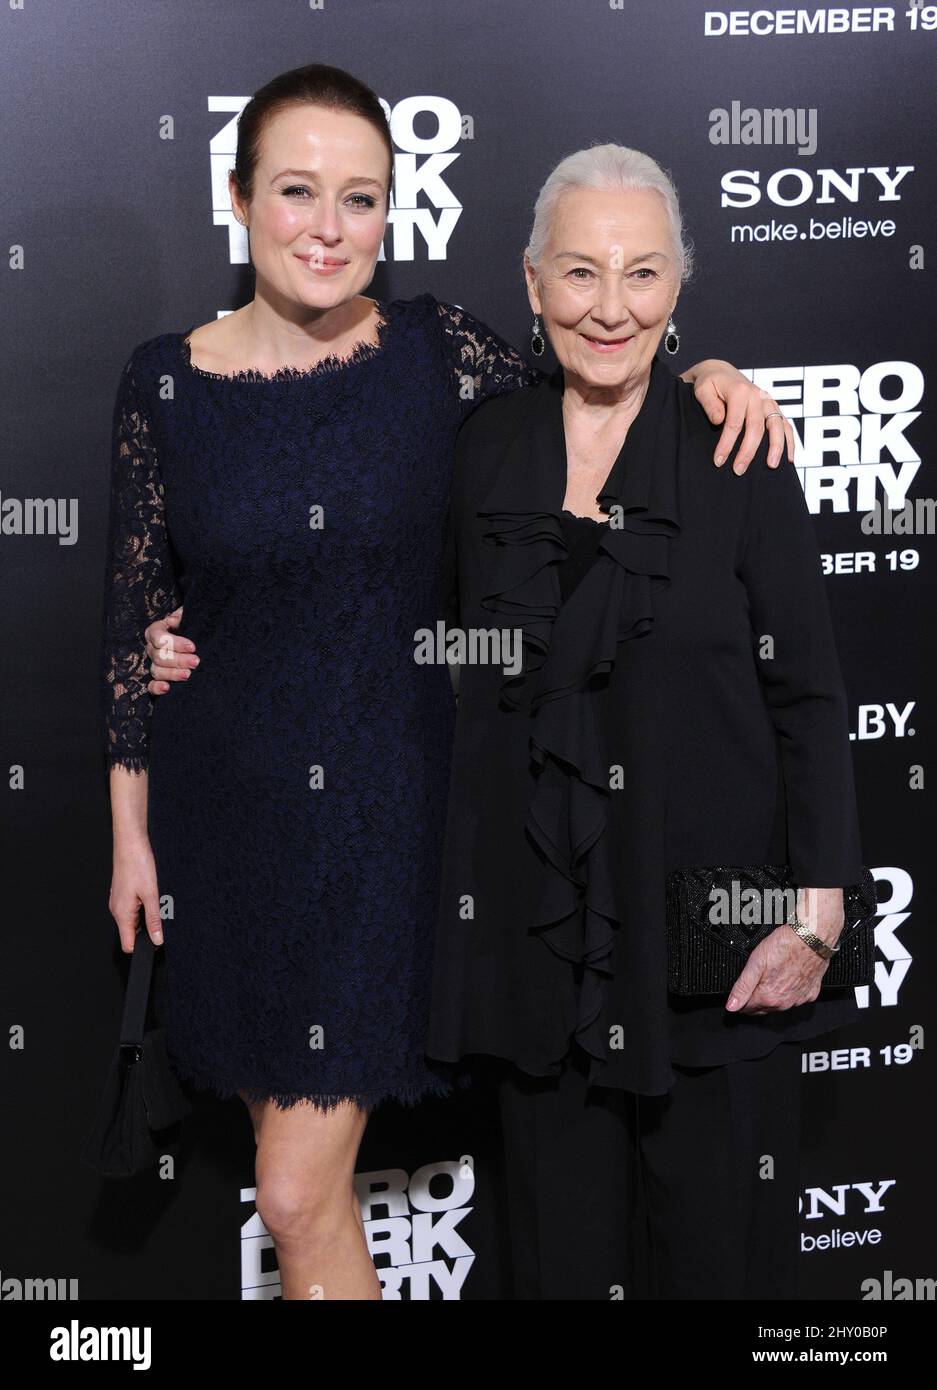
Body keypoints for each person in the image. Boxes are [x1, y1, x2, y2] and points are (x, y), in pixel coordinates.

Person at [104, 64, 791, 1302]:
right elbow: (130, 623)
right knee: (291, 1194)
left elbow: (592, 384)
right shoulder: (162, 382)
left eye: (360, 198)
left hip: (389, 829)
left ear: (392, 212)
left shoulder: (440, 355)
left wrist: (704, 376)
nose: (328, 226)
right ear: (237, 196)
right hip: (230, 827)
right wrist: (131, 835)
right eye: (298, 192)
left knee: (297, 1191)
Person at [423, 144, 867, 1300]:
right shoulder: (483, 453)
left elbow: (808, 696)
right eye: (579, 273)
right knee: (554, 1268)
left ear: (678, 287)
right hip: (538, 948)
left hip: (712, 944)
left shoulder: (735, 448)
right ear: (529, 284)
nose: (608, 308)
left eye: (641, 273)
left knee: (720, 1271)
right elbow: (417, 652)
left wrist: (816, 918)